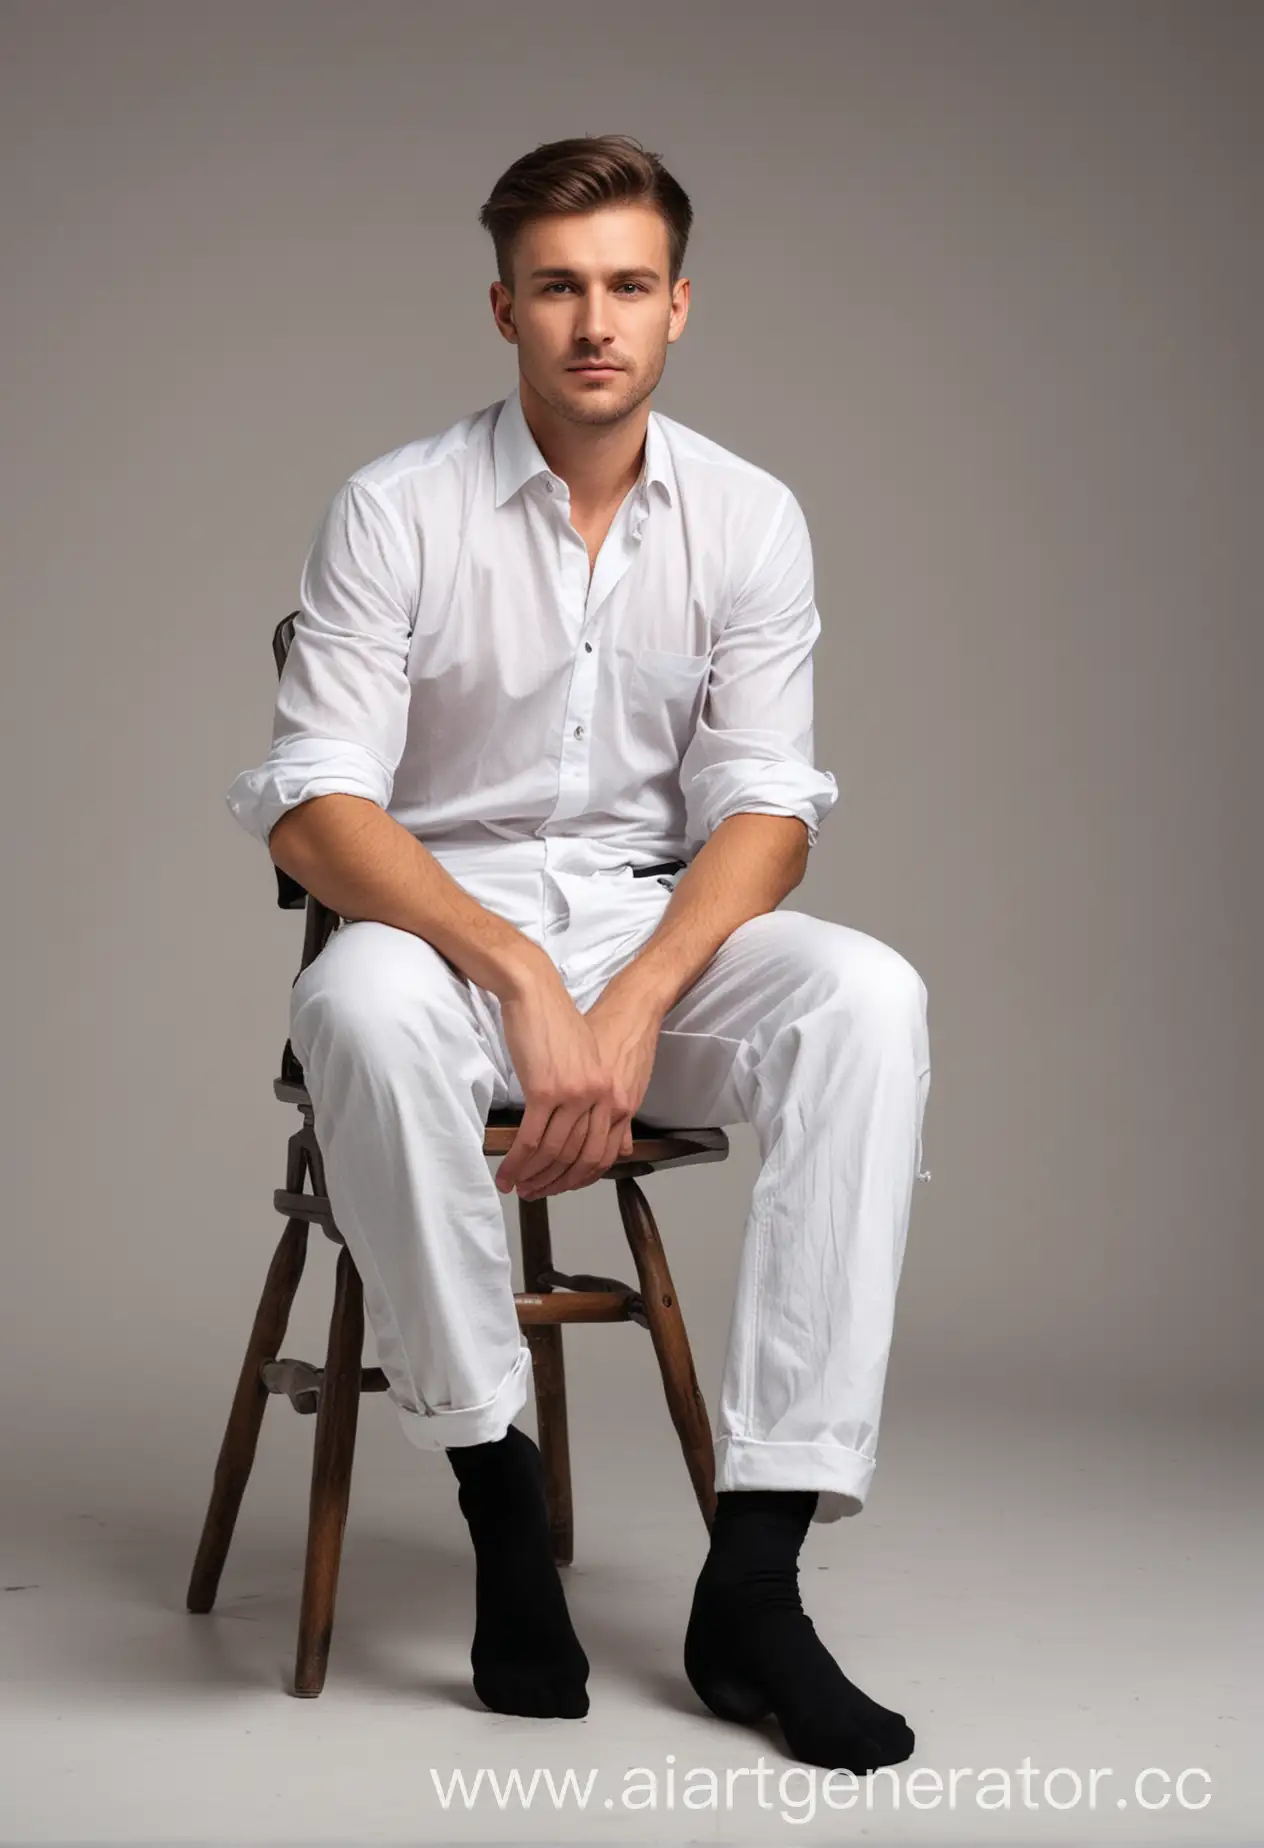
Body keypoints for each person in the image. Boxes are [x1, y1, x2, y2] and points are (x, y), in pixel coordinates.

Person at [225, 134, 931, 1774]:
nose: (592, 320)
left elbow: (767, 813)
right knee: (361, 1006)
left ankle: (757, 1579)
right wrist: (530, 985)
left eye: (626, 286)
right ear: (504, 308)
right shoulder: (396, 508)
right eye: (558, 287)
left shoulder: (750, 518)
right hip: (435, 915)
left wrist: (631, 1002)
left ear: (678, 306)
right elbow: (315, 810)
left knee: (868, 998)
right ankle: (497, 1507)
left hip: (648, 915)